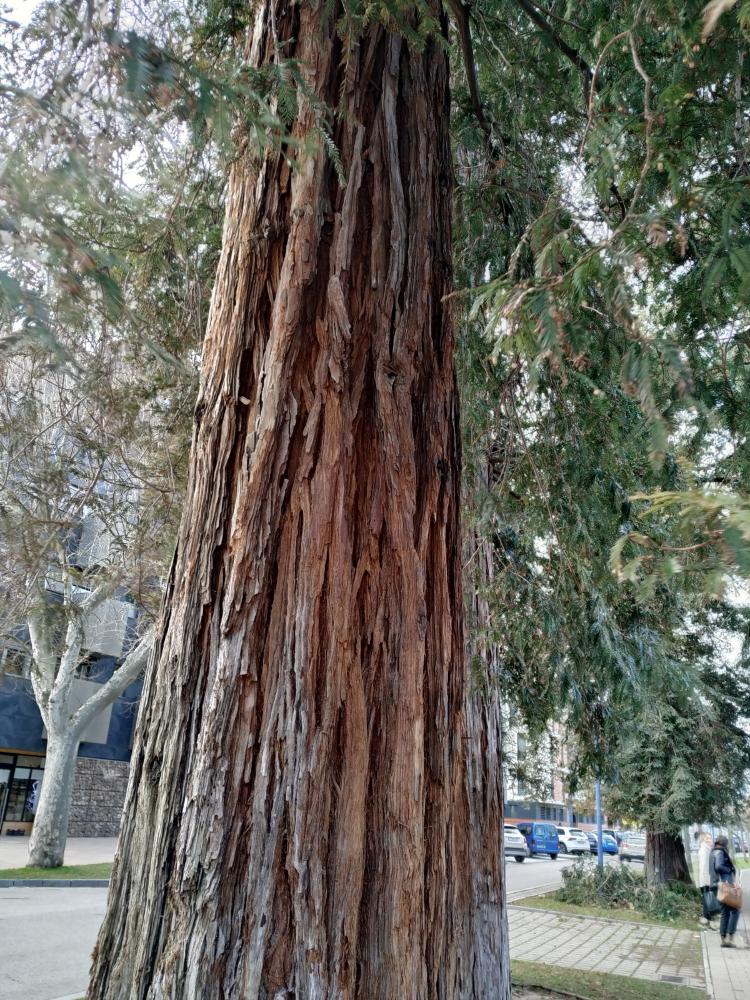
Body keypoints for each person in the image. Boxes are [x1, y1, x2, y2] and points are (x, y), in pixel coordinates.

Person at [710, 835, 741, 948]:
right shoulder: (720, 852)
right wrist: (730, 869)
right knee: (735, 910)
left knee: (725, 913)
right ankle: (730, 937)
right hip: (724, 886)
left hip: (716, 885)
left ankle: (723, 939)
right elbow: (719, 866)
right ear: (724, 844)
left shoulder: (712, 852)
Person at [698, 833, 719, 929]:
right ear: (703, 840)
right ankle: (708, 919)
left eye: (710, 838)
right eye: (707, 838)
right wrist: (706, 881)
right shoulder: (704, 850)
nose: (710, 840)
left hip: (708, 878)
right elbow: (704, 867)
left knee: (708, 899)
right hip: (706, 879)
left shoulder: (707, 849)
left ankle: (708, 918)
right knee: (708, 899)